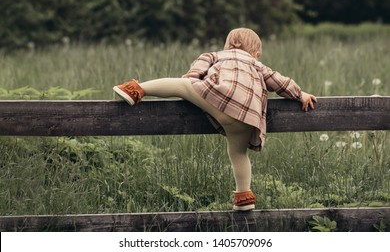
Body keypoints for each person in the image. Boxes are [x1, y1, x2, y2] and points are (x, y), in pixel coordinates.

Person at [113, 28, 317, 211]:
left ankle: (135, 89)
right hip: (246, 116)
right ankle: (244, 197)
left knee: (182, 86)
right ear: (255, 53)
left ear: (227, 46)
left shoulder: (215, 55)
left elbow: (194, 74)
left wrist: (192, 82)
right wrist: (300, 95)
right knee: (238, 153)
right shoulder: (257, 64)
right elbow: (280, 82)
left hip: (219, 100)